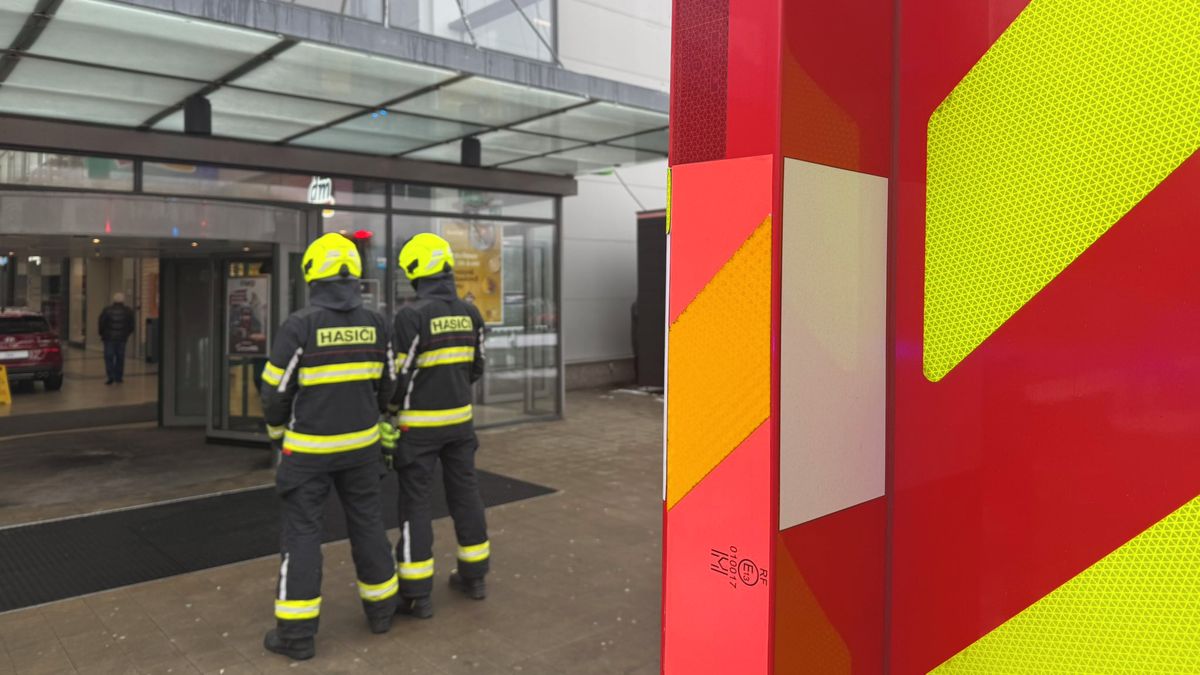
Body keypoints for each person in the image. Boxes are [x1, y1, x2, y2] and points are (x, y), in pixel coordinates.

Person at [259, 233, 400, 661]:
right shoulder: (377, 323)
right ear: (354, 275)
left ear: (313, 277)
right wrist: (372, 414)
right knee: (369, 524)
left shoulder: (299, 326)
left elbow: (274, 394)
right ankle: (382, 612)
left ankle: (297, 636)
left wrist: (278, 434)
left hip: (308, 454)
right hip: (362, 448)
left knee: (303, 534)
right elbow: (389, 386)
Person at [389, 233, 490, 619]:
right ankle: (475, 577)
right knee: (466, 496)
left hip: (418, 430)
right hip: (460, 424)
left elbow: (397, 378)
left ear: (417, 271)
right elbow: (477, 368)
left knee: (416, 505)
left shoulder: (411, 316)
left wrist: (390, 410)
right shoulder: (471, 313)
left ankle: (416, 595)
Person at [98, 292, 135, 385]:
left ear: (113, 300)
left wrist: (102, 334)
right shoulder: (128, 311)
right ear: (123, 300)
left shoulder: (107, 310)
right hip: (122, 339)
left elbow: (101, 323)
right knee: (120, 357)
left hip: (109, 338)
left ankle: (110, 376)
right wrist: (126, 334)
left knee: (108, 357)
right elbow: (132, 325)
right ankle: (118, 377)